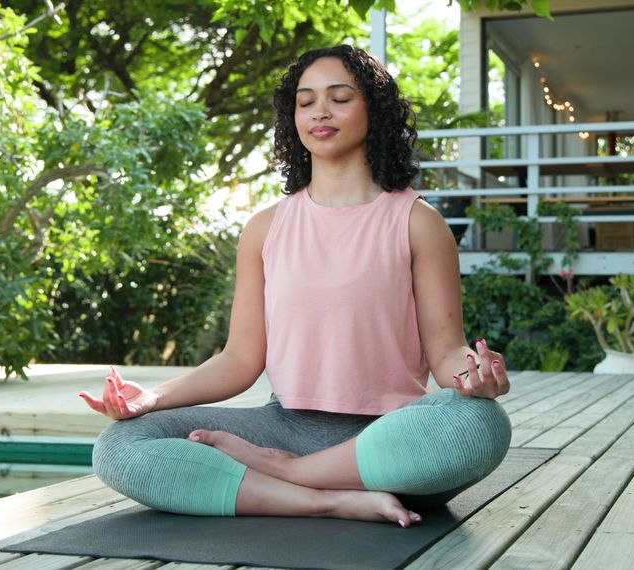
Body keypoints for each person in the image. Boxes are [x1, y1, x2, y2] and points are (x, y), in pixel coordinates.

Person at [80, 45, 511, 529]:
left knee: (482, 425)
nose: (319, 112)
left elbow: (446, 352)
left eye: (339, 98)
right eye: (305, 102)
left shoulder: (418, 222)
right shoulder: (265, 228)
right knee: (119, 445)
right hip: (283, 426)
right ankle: (322, 500)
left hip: (389, 445)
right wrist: (151, 399)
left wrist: (474, 376)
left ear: (376, 110)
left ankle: (290, 475)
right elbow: (240, 360)